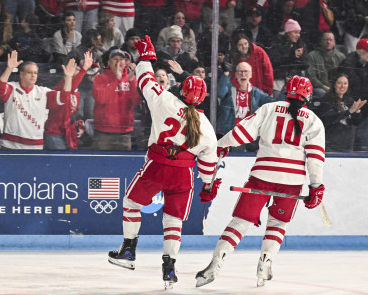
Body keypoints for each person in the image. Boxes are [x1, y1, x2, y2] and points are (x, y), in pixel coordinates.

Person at [107, 35, 218, 290]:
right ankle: (169, 268)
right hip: (183, 176)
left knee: (130, 203)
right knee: (173, 221)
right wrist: (210, 185)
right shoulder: (207, 128)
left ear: (181, 89)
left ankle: (128, 250)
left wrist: (147, 56)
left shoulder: (165, 99)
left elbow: (145, 80)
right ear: (202, 99)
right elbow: (208, 167)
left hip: (157, 167)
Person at [195, 76, 325, 289]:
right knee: (277, 223)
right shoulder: (313, 120)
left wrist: (222, 144)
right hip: (291, 181)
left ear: (287, 91)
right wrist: (316, 186)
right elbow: (315, 158)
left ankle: (217, 261)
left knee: (241, 221)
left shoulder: (270, 108)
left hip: (262, 175)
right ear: (308, 96)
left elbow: (243, 132)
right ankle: (265, 264)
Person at [0, 51, 52, 150]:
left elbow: (64, 97)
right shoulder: (12, 87)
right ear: (21, 74)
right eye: (30, 72)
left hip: (35, 146)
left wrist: (70, 76)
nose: (33, 75)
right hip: (10, 144)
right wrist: (9, 68)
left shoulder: (43, 92)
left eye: (35, 73)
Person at [338, 38, 368, 152]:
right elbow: (342, 90)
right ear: (358, 51)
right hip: (350, 113)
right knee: (348, 148)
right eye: (367, 50)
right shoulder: (347, 64)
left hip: (366, 112)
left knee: (366, 149)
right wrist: (350, 108)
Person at [92, 48, 140, 150]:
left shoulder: (131, 79)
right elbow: (101, 98)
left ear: (125, 63)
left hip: (124, 132)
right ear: (109, 62)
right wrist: (117, 81)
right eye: (115, 59)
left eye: (121, 59)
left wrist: (132, 81)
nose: (118, 62)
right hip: (104, 132)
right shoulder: (100, 78)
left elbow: (136, 101)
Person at [43, 54, 93, 150]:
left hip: (65, 134)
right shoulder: (60, 87)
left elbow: (71, 115)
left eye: (76, 76)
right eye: (71, 75)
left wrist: (78, 127)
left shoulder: (77, 94)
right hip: (53, 134)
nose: (75, 78)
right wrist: (84, 69)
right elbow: (69, 89)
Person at [216, 61, 274, 139]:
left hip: (246, 134)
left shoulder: (255, 92)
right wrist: (226, 74)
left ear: (251, 75)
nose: (243, 75)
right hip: (228, 134)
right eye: (240, 72)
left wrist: (285, 89)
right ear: (236, 75)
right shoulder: (230, 88)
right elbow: (220, 93)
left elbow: (274, 103)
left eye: (246, 72)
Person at [317, 73, 366, 152]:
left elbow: (356, 122)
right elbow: (327, 119)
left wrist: (357, 112)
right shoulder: (327, 99)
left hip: (347, 144)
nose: (342, 86)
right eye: (339, 83)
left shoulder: (349, 100)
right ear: (334, 84)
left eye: (345, 83)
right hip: (331, 145)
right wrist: (349, 111)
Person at [306, 31, 345, 99]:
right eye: (325, 39)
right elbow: (311, 77)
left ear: (334, 42)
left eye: (330, 40)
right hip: (319, 88)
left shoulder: (341, 57)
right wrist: (324, 87)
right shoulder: (312, 56)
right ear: (321, 41)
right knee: (322, 93)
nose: (328, 42)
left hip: (338, 88)